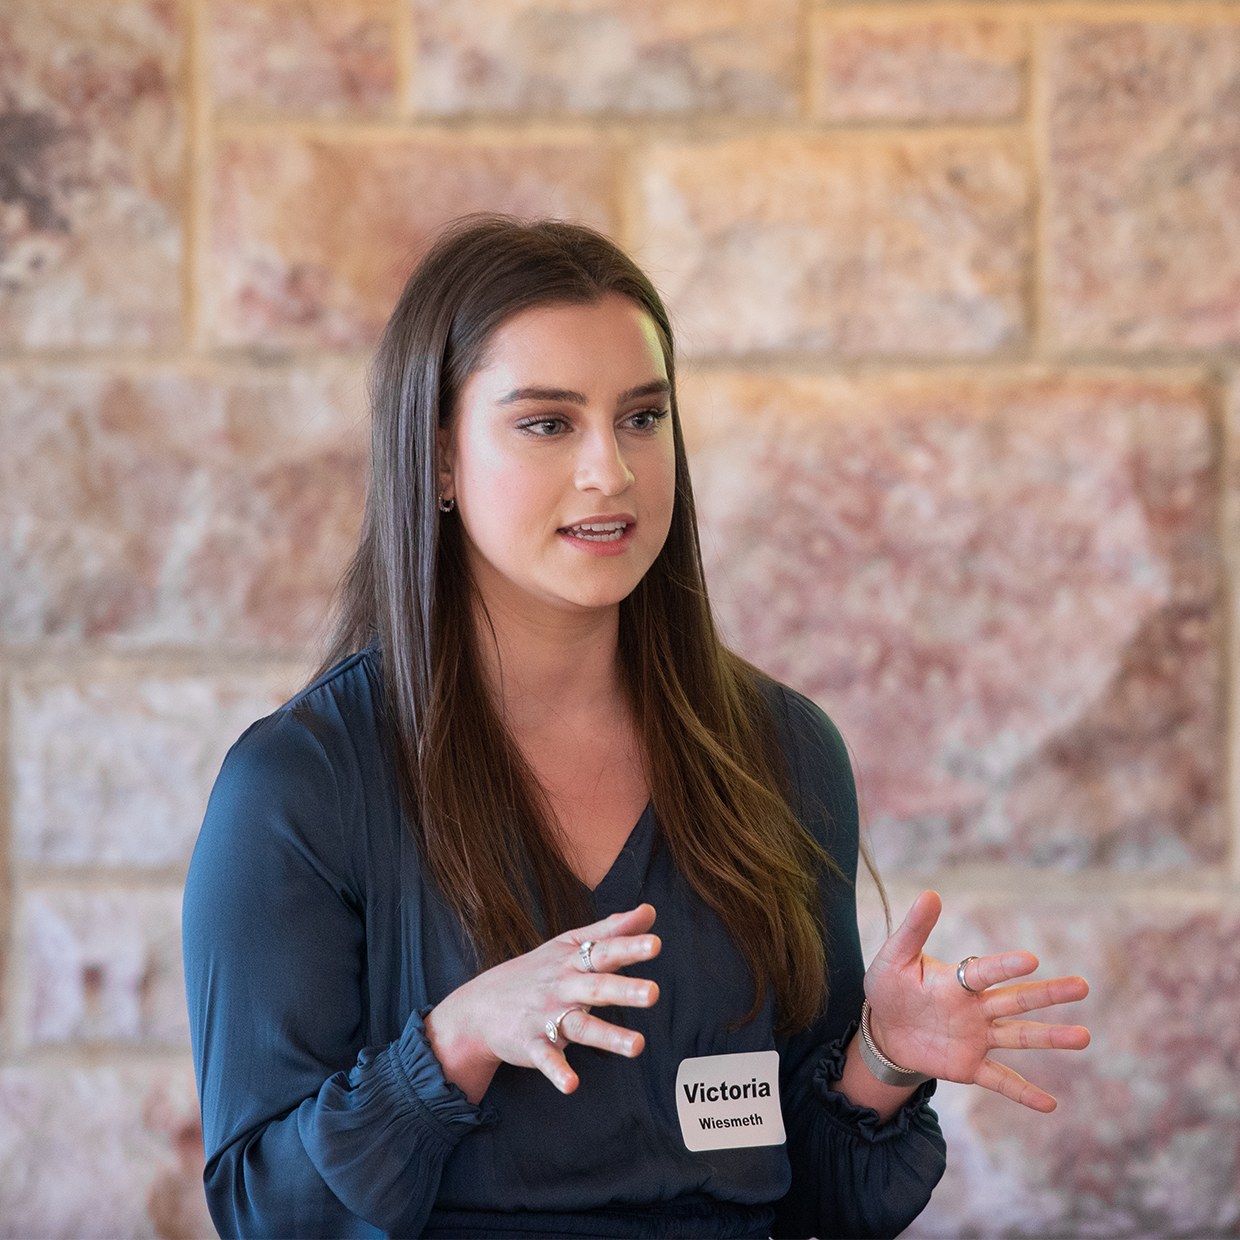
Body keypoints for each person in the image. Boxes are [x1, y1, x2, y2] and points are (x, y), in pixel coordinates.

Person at [182, 218, 1092, 1239]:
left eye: (643, 417)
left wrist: (880, 1058)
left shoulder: (784, 754)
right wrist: (458, 1038)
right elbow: (264, 1210)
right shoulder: (299, 786)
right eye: (547, 424)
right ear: (438, 459)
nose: (610, 472)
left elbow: (812, 1190)